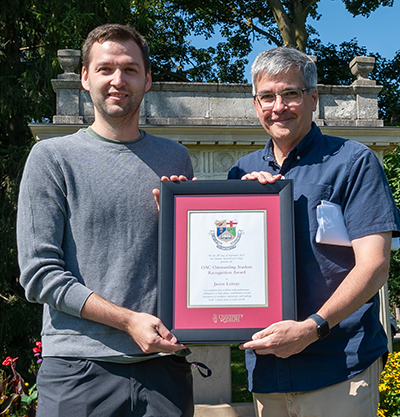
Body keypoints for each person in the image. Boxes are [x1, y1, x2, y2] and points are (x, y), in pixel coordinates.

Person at [17, 24, 194, 417]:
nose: (118, 80)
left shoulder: (175, 159)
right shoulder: (51, 158)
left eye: (130, 69)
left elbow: (193, 266)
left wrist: (195, 227)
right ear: (84, 77)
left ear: (148, 79)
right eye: (105, 69)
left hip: (164, 369)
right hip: (78, 371)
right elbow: (39, 274)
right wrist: (128, 321)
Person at [228, 47, 400, 417]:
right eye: (267, 96)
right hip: (267, 371)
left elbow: (375, 266)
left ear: (314, 98)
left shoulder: (353, 162)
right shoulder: (241, 174)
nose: (279, 106)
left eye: (291, 93)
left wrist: (312, 327)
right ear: (256, 104)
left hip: (339, 367)